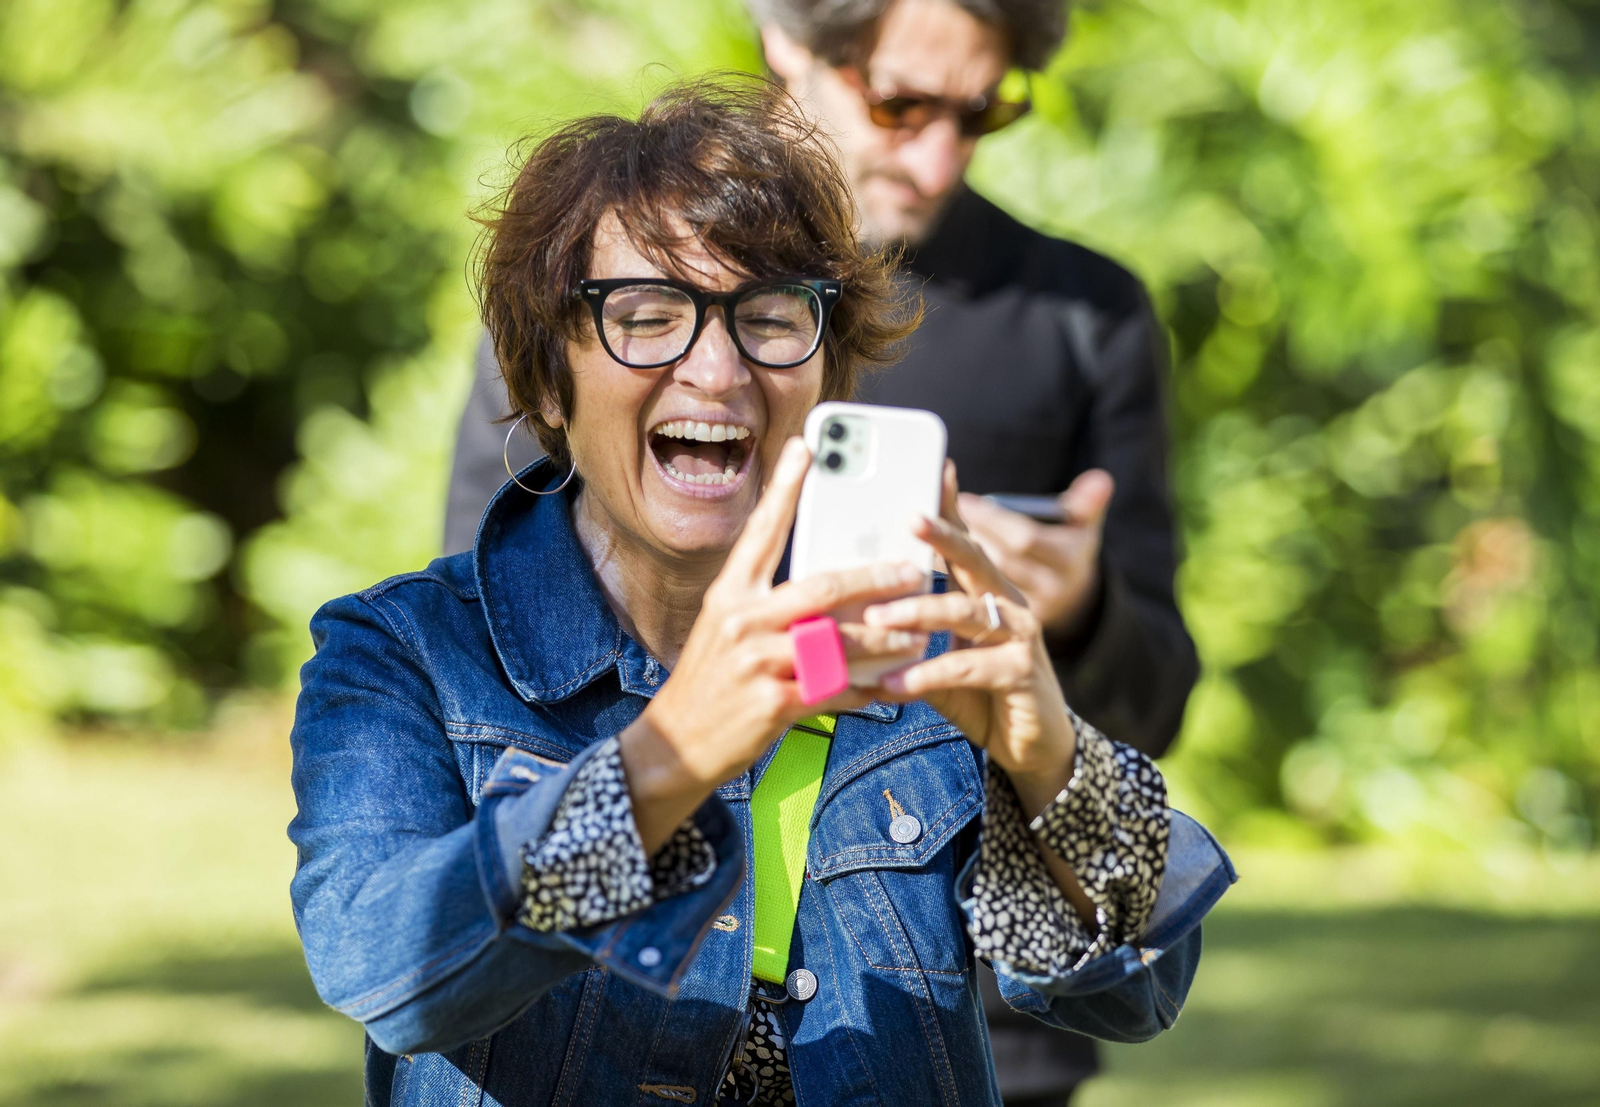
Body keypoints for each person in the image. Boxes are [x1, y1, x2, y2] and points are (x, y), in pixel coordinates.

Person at [292, 81, 1230, 1107]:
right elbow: (387, 971)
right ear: (547, 383)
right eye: (645, 318)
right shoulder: (405, 652)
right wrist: (667, 759)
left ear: (826, 377)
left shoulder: (904, 637)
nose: (716, 367)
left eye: (771, 317)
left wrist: (1050, 755)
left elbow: (1137, 991)